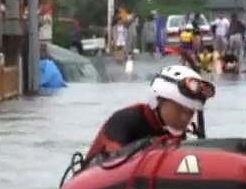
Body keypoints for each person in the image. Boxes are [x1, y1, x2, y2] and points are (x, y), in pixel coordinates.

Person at [83, 65, 215, 164]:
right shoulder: (125, 120)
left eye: (190, 112)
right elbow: (107, 164)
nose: (185, 117)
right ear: (159, 100)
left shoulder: (180, 136)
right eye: (179, 109)